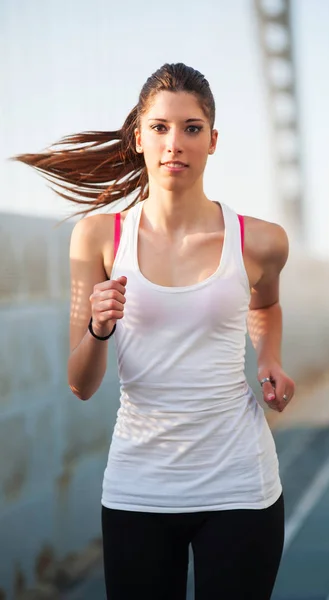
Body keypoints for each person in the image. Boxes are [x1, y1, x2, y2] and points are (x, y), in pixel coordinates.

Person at [14, 62, 295, 600]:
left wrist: (269, 360)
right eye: (161, 128)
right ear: (139, 137)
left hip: (240, 483)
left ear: (213, 141)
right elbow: (80, 383)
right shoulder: (98, 237)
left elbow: (268, 304)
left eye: (191, 128)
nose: (175, 144)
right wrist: (97, 328)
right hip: (139, 488)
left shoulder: (260, 241)